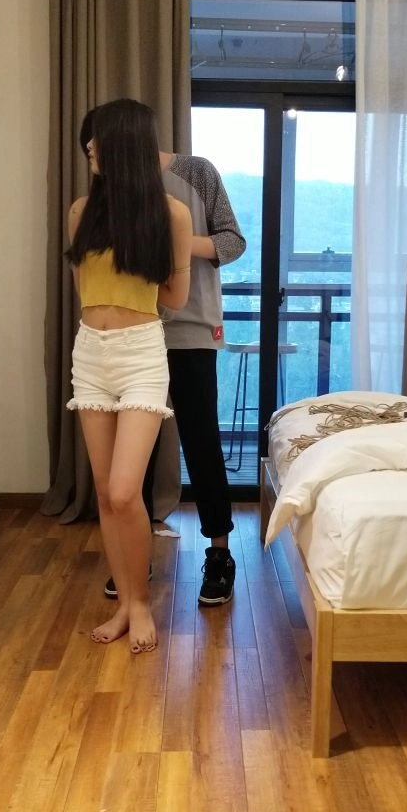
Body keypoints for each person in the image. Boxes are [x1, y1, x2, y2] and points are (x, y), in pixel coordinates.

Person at [79, 109, 246, 607]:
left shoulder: (196, 173)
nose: (92, 153)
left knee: (201, 439)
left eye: (97, 143)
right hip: (130, 335)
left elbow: (233, 241)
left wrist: (168, 237)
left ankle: (219, 552)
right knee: (137, 457)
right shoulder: (105, 196)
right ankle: (137, 559)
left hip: (190, 328)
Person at [67, 98, 192, 652]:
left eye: (97, 138)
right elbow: (84, 291)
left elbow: (176, 297)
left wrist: (141, 260)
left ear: (125, 143)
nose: (89, 147)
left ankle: (140, 603)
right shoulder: (81, 212)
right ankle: (125, 606)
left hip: (141, 353)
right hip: (90, 353)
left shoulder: (171, 215)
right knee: (103, 490)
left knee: (124, 491)